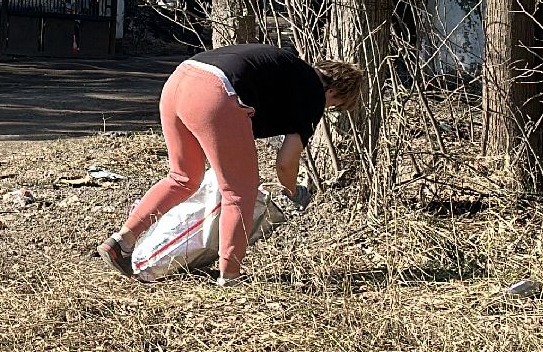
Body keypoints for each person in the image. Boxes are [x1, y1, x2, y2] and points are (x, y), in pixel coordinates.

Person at [99, 44, 364, 285]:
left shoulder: (288, 64)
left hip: (180, 80)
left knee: (182, 177)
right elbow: (286, 163)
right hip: (215, 94)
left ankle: (122, 241)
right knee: (239, 192)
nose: (327, 107)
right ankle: (231, 275)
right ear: (332, 91)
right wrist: (292, 191)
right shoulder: (313, 93)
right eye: (334, 105)